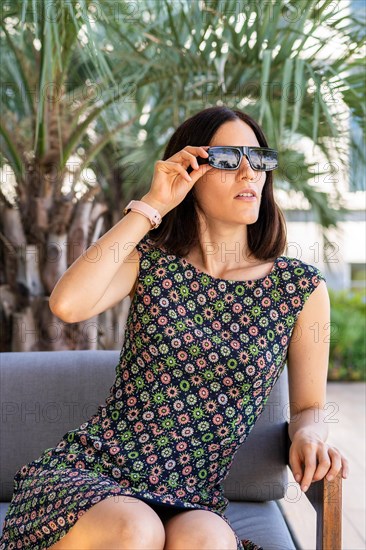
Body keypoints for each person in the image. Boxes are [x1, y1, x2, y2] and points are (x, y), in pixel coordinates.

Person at [0, 105, 349, 550]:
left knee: (208, 541)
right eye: (227, 160)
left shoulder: (300, 289)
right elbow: (67, 304)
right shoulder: (151, 263)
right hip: (94, 473)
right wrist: (153, 205)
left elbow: (308, 407)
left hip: (193, 494)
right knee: (136, 529)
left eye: (259, 158)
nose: (249, 173)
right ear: (191, 171)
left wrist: (311, 434)